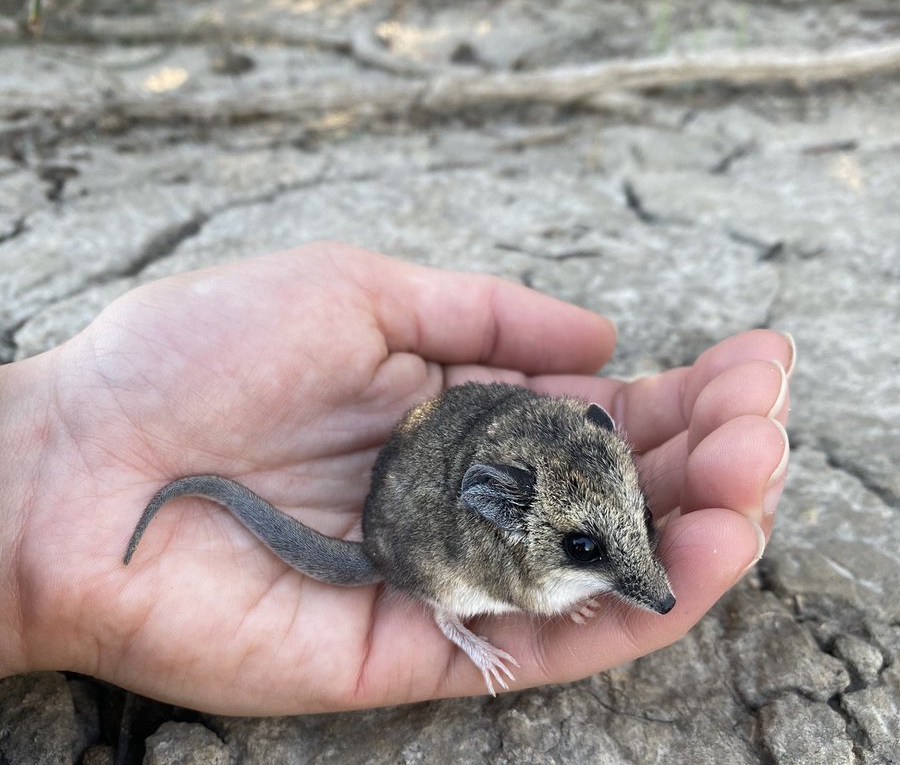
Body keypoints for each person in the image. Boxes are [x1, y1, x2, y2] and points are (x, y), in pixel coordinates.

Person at [0, 243, 792, 715]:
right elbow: (532, 590)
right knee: (485, 590)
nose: (652, 586)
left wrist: (613, 564)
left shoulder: (579, 442)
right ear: (504, 510)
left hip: (442, 457)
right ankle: (449, 626)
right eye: (584, 545)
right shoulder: (507, 532)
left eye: (633, 522)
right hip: (421, 543)